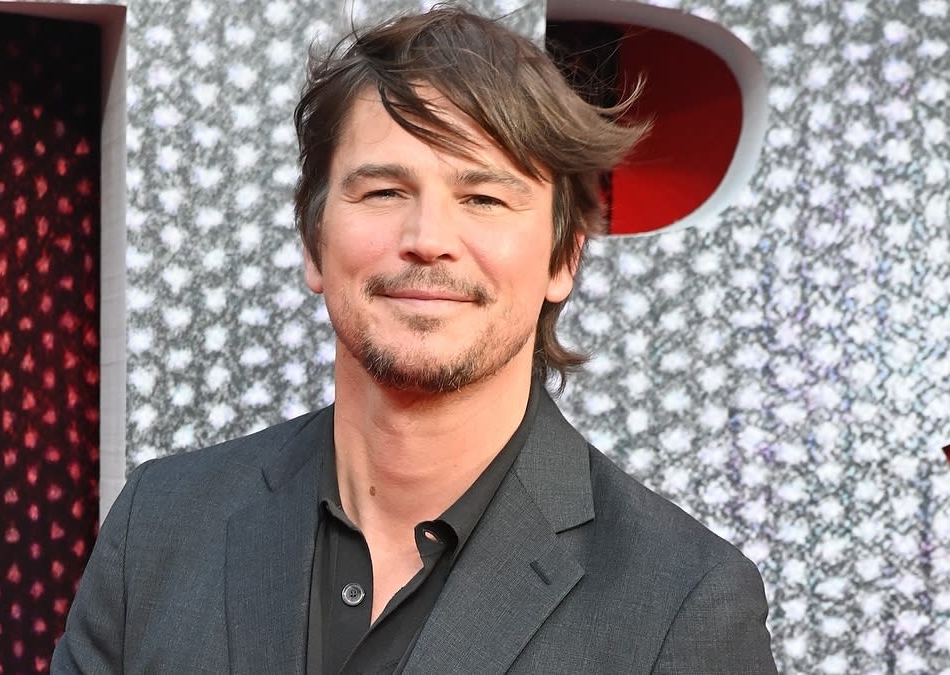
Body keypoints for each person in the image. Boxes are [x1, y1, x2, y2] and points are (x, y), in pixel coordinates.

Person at [51, 5, 777, 673]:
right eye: (384, 191)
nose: (428, 240)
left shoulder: (685, 603)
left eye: (484, 198)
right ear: (313, 241)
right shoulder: (157, 527)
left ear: (563, 259)